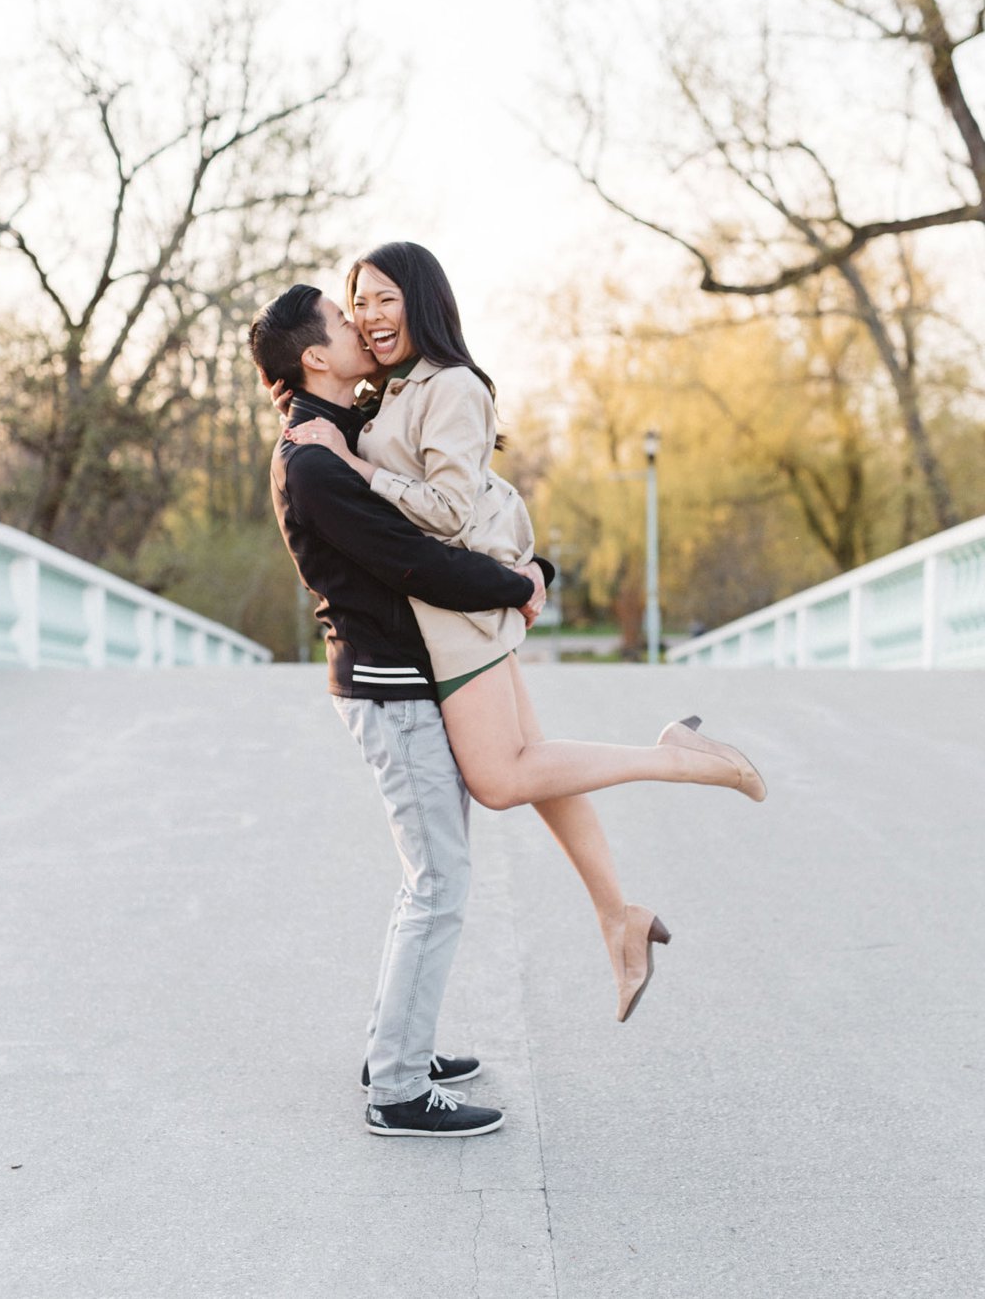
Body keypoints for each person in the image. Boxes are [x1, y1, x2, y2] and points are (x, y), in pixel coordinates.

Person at [281, 242, 767, 1026]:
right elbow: (485, 492)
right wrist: (530, 564)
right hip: (455, 612)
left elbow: (447, 507)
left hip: (460, 617)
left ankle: (677, 757)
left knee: (504, 780)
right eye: (356, 304)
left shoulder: (454, 386)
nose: (368, 318)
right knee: (538, 770)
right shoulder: (393, 392)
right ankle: (619, 917)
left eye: (382, 300)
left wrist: (358, 466)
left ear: (423, 300)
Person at [248, 283, 550, 1139]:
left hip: (405, 681)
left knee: (429, 880)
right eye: (344, 322)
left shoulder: (342, 435)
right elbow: (413, 561)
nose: (362, 326)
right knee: (439, 884)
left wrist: (529, 570)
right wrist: (525, 584)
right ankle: (397, 1090)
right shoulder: (311, 460)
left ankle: (396, 1048)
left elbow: (439, 519)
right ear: (314, 356)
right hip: (389, 685)